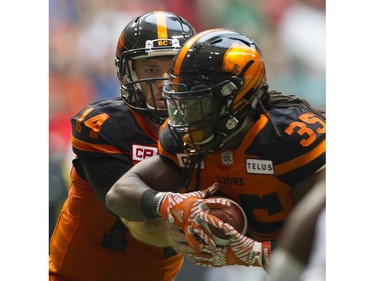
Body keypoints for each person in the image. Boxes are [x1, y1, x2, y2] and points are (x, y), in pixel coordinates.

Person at [106, 28, 326, 271]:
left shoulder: (291, 139)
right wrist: (168, 203)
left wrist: (258, 253)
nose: (185, 116)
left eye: (199, 102)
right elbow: (119, 195)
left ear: (238, 98)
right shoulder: (182, 138)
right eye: (181, 102)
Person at [49, 11, 196, 281]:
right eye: (151, 69)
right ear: (128, 74)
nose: (165, 84)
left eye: (174, 69)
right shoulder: (103, 126)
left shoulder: (207, 126)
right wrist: (173, 231)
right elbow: (128, 212)